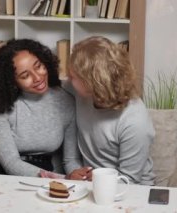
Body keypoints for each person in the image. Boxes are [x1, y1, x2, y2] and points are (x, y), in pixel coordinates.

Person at [0, 38, 82, 177]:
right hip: (0, 172)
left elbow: (71, 160)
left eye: (38, 66)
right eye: (25, 75)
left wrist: (77, 175)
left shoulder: (66, 101)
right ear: (12, 81)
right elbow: (10, 163)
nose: (37, 77)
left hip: (46, 171)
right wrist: (64, 178)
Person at [66, 36, 156, 185]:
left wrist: (99, 180)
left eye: (73, 76)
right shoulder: (79, 92)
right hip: (90, 183)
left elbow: (130, 179)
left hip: (132, 188)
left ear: (92, 83)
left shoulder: (135, 121)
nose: (68, 79)